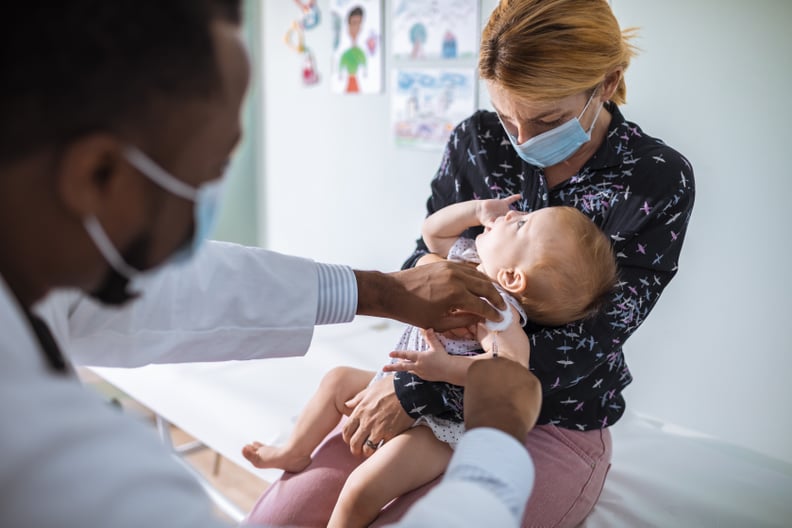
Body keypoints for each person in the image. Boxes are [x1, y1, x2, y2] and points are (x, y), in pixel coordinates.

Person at [0, 2, 542, 527]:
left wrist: (376, 293)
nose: (209, 198)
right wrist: (493, 448)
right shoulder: (42, 464)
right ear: (97, 175)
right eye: (210, 169)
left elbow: (181, 293)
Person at [247, 0, 696, 526]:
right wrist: (404, 361)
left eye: (547, 119)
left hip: (548, 416)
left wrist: (416, 391)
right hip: (418, 380)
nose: (523, 141)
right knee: (282, 518)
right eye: (510, 117)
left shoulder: (654, 180)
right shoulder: (478, 141)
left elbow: (586, 344)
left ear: (608, 80)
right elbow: (425, 259)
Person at [241, 196, 617, 527]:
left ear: (512, 277)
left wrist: (444, 370)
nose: (512, 214)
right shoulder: (466, 260)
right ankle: (295, 451)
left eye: (520, 224)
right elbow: (431, 234)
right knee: (337, 379)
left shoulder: (499, 313)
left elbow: (508, 369)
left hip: (442, 427)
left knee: (361, 488)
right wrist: (476, 210)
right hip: (392, 381)